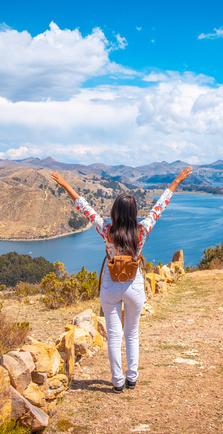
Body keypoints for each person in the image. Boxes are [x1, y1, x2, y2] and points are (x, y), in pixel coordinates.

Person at [50, 166, 192, 392]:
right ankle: (132, 378)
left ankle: (117, 382)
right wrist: (176, 181)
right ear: (134, 213)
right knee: (132, 334)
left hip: (110, 285)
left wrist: (65, 184)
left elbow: (84, 207)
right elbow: (160, 207)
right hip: (134, 285)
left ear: (115, 212)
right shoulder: (142, 230)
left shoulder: (106, 229)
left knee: (114, 337)